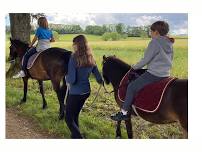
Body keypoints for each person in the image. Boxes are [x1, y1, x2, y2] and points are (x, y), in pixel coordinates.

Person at [111, 21, 175, 121]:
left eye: (151, 31)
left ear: (156, 32)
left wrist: (134, 67)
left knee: (131, 87)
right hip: (166, 74)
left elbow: (146, 60)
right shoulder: (169, 42)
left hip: (154, 74)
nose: (150, 34)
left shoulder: (155, 42)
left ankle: (123, 113)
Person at [65, 35, 103, 139]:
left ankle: (80, 138)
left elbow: (72, 80)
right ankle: (75, 137)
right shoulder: (90, 56)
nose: (73, 46)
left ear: (78, 44)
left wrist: (66, 77)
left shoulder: (73, 57)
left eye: (74, 43)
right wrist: (100, 81)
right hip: (86, 92)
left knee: (68, 118)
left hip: (75, 93)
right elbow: (96, 72)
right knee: (75, 114)